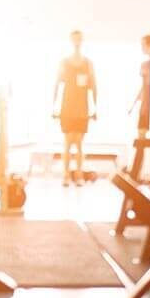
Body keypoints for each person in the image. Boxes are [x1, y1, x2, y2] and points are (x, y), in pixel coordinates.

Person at [53, 30, 97, 187]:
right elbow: (57, 83)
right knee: (67, 142)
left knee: (78, 143)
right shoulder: (64, 62)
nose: (77, 42)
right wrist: (54, 106)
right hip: (67, 107)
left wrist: (95, 107)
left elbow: (93, 85)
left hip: (82, 108)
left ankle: (78, 175)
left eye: (79, 39)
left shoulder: (87, 63)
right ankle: (65, 175)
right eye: (74, 39)